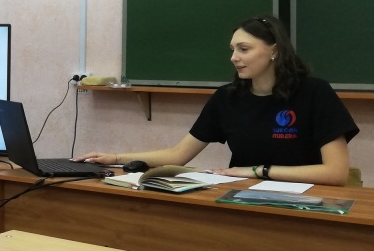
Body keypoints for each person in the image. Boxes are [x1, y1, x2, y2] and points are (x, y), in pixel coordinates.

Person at [75, 15, 358, 186]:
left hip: (306, 201)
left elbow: (335, 173)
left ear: (274, 51)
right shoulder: (227, 97)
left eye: (244, 49)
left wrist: (258, 171)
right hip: (240, 197)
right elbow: (177, 155)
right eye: (232, 49)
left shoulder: (315, 93)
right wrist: (115, 158)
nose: (234, 57)